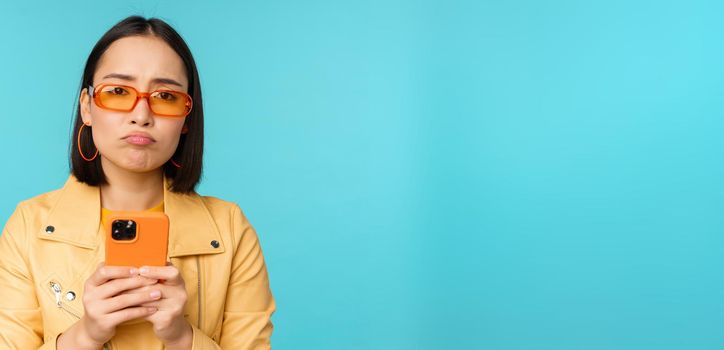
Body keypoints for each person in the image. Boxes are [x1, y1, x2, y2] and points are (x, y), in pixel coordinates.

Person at [0, 16, 275, 350]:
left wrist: (181, 337)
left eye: (166, 96)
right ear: (87, 107)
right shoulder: (29, 227)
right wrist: (85, 335)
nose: (141, 114)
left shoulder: (230, 229)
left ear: (186, 118)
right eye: (117, 91)